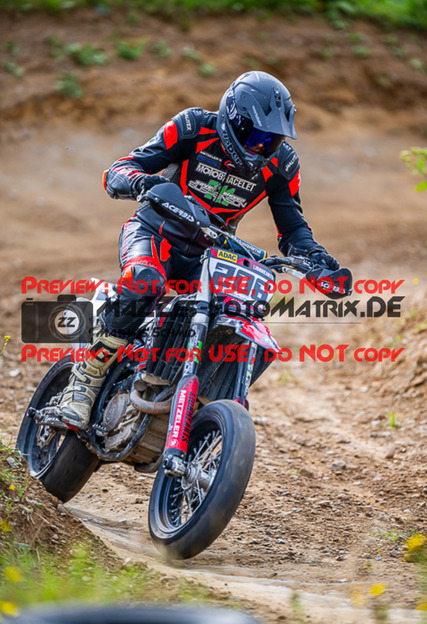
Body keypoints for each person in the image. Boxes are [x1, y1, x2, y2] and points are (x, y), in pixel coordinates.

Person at [58, 70, 341, 429]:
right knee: (145, 282)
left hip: (212, 253)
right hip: (155, 232)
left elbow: (293, 228)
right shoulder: (192, 126)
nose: (260, 147)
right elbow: (121, 169)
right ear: (231, 119)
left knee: (237, 314)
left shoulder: (282, 164)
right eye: (255, 135)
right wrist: (145, 183)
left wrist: (315, 259)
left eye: (271, 140)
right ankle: (85, 379)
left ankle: (200, 399)